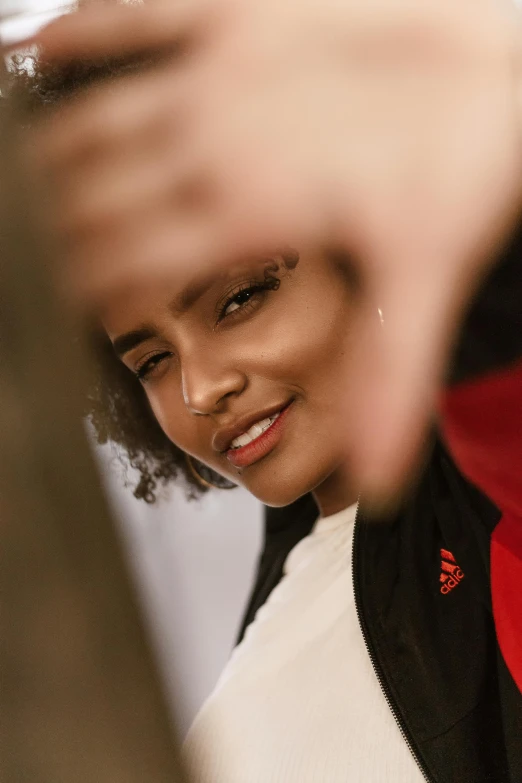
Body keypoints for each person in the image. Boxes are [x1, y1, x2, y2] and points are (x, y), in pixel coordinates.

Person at [12, 2, 522, 782]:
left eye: (240, 299)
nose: (202, 385)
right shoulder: (256, 658)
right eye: (148, 361)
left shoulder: (490, 476)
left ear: (359, 240)